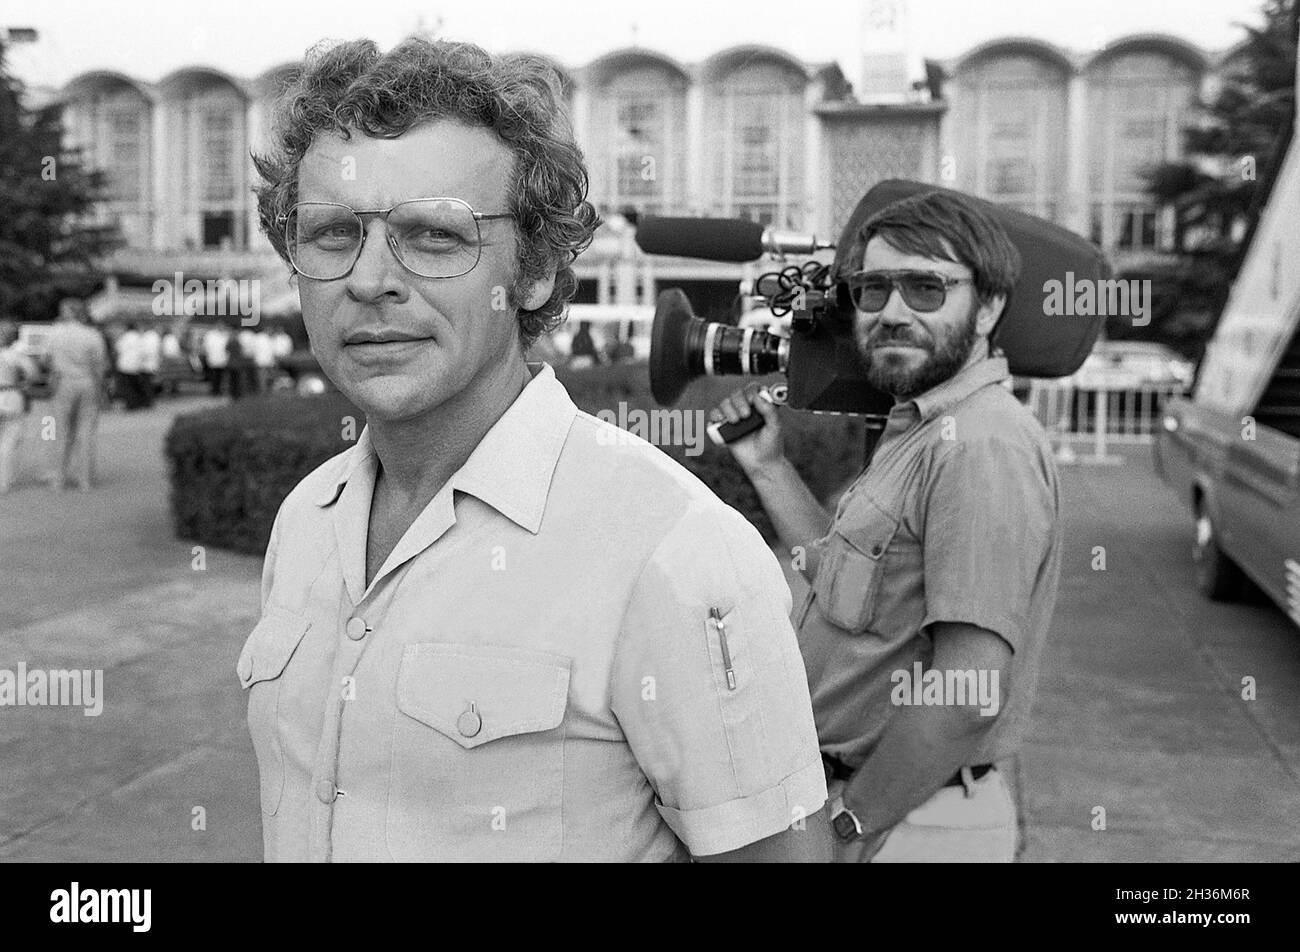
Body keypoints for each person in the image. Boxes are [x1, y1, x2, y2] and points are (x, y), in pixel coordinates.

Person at [242, 36, 829, 863]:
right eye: (334, 233)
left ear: (540, 271)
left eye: (435, 236)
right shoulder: (306, 520)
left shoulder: (673, 551)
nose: (370, 278)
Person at [711, 190, 1062, 862]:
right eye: (874, 290)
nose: (894, 312)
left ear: (987, 307)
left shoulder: (979, 444)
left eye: (927, 288)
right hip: (881, 809)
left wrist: (851, 825)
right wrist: (768, 466)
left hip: (906, 824)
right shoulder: (921, 430)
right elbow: (846, 583)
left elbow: (970, 689)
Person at [45, 298, 109, 490]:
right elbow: (100, 366)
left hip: (62, 382)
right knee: (86, 432)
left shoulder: (54, 333)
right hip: (87, 382)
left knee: (59, 431)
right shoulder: (92, 334)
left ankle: (58, 478)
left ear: (66, 312)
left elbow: (46, 358)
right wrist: (102, 391)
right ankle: (85, 480)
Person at [0, 320, 39, 494]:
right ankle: (3, 481)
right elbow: (33, 373)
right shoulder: (15, 355)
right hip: (11, 395)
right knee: (9, 440)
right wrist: (24, 383)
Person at [202, 324, 230, 396]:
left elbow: (206, 347)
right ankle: (216, 390)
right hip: (217, 359)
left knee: (216, 376)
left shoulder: (211, 335)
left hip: (217, 359)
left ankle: (216, 390)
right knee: (217, 376)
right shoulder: (221, 335)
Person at [139, 323, 161, 407]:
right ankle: (149, 399)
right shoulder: (155, 336)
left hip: (146, 365)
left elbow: (143, 351)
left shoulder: (146, 337)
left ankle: (148, 400)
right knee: (148, 382)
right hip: (154, 364)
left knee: (145, 382)